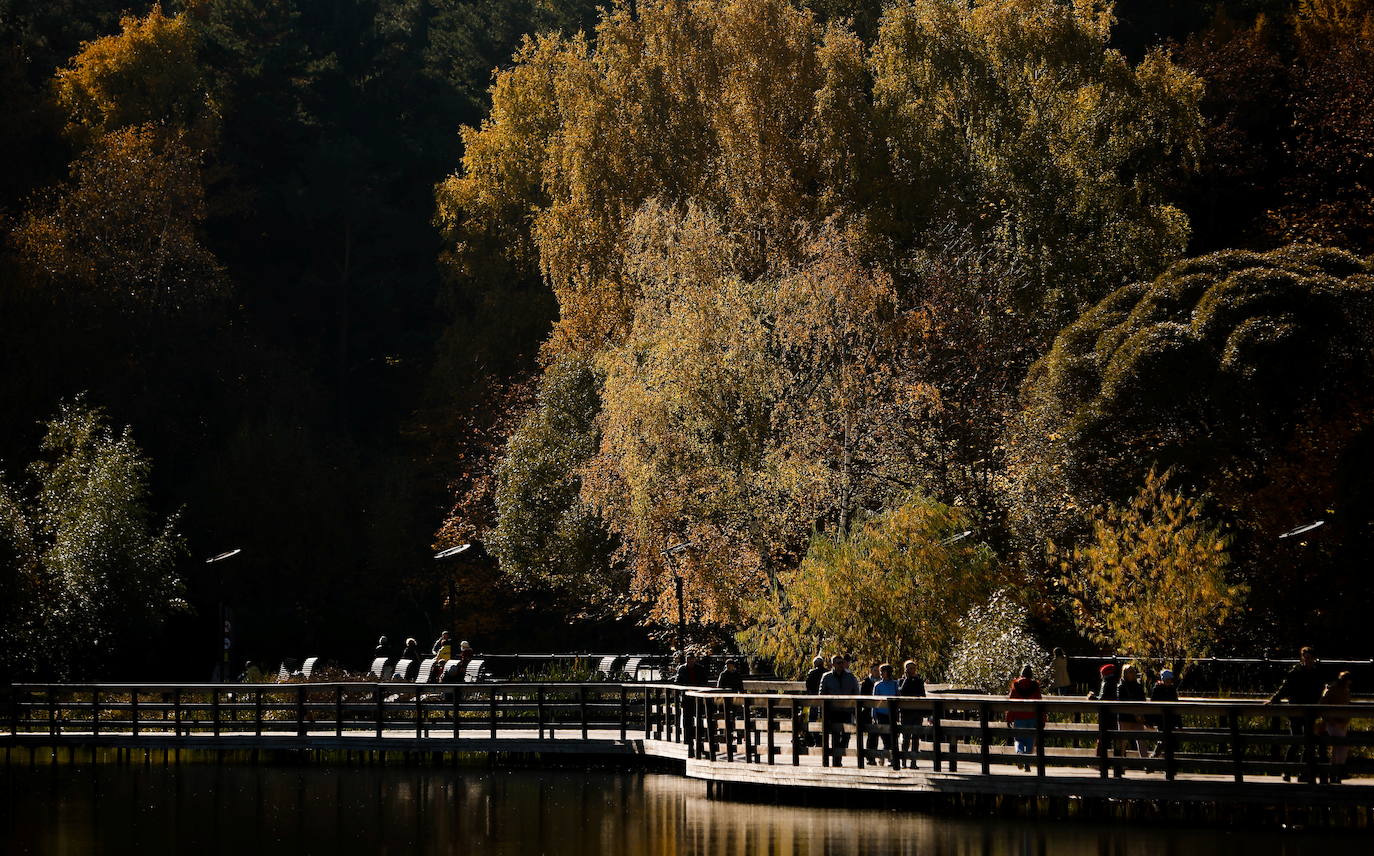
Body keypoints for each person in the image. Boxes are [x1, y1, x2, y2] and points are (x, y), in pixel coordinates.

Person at [1265, 646, 1326, 781]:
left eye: (1309, 657)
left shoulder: (1317, 674)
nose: (1306, 660)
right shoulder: (1296, 672)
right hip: (1296, 710)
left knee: (1308, 742)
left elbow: (1321, 690)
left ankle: (1302, 772)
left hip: (1310, 711)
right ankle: (1287, 771)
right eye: (1304, 657)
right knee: (1295, 741)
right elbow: (1285, 687)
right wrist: (1274, 699)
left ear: (1313, 658)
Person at [819, 655, 861, 765]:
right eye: (838, 663)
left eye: (842, 662)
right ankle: (836, 761)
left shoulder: (850, 677)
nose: (840, 665)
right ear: (833, 664)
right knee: (835, 736)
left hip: (847, 711)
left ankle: (839, 755)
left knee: (847, 736)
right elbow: (821, 694)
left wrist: (855, 709)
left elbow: (856, 692)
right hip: (833, 712)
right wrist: (822, 711)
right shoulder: (827, 677)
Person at [1006, 664, 1043, 769]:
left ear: (1021, 674)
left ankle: (1020, 754)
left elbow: (1011, 704)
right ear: (1031, 674)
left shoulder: (1015, 686)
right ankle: (1027, 763)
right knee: (1031, 740)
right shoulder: (1035, 686)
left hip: (1019, 717)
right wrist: (1042, 719)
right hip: (1032, 717)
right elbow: (1040, 704)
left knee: (1018, 739)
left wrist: (1009, 718)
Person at [1320, 671, 1354, 784]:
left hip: (1341, 723)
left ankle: (1337, 773)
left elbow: (1348, 707)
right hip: (1332, 723)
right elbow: (1322, 705)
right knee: (1339, 747)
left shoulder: (1346, 691)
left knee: (1341, 748)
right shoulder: (1332, 690)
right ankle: (1335, 773)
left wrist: (1346, 721)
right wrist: (1330, 720)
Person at [1116, 664, 1149, 759]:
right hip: (1125, 717)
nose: (1133, 673)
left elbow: (1143, 700)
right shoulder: (1121, 686)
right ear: (1125, 674)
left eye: (1133, 671)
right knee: (1123, 741)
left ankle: (1146, 762)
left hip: (1137, 717)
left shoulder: (1138, 686)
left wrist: (1142, 714)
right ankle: (1120, 763)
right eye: (1130, 671)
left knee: (1141, 740)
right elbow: (1121, 701)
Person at [1147, 668, 1182, 758]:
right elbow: (1153, 706)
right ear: (1163, 679)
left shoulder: (1172, 690)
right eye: (1167, 679)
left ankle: (1159, 761)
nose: (1169, 681)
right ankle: (1154, 758)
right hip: (1161, 719)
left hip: (1171, 720)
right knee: (1163, 739)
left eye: (1170, 679)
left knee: (1168, 742)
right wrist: (1150, 721)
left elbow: (1176, 706)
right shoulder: (1157, 689)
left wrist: (1179, 723)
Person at [870, 663, 900, 759]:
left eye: (883, 671)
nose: (881, 673)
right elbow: (874, 701)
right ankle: (886, 756)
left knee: (893, 737)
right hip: (881, 714)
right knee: (885, 738)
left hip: (891, 714)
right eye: (880, 671)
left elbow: (897, 698)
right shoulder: (878, 685)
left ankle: (888, 757)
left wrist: (897, 713)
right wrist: (873, 715)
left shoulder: (895, 684)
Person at [898, 660, 927, 756]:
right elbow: (901, 693)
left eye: (913, 668)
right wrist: (907, 679)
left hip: (917, 712)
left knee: (916, 737)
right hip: (906, 713)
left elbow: (922, 695)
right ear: (905, 669)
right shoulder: (901, 681)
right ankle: (904, 758)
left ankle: (913, 760)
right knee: (906, 736)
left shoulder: (919, 681)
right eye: (909, 668)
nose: (912, 670)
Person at [804, 656, 826, 747]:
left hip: (813, 699)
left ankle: (817, 740)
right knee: (824, 719)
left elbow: (808, 686)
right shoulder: (827, 672)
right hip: (824, 700)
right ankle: (823, 740)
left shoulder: (811, 673)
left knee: (812, 719)